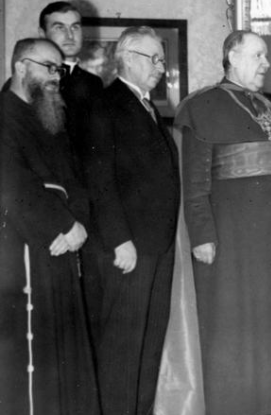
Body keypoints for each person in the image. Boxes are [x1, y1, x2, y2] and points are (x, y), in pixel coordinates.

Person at [176, 30, 271, 414]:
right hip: (231, 242)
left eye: (267, 57)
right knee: (234, 330)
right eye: (258, 56)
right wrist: (202, 236)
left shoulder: (267, 105)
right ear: (232, 56)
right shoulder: (202, 106)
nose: (266, 64)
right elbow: (195, 180)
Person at [82, 26, 180, 415]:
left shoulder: (146, 106)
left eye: (162, 59)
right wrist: (120, 240)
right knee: (122, 351)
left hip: (157, 246)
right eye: (154, 59)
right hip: (129, 250)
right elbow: (99, 178)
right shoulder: (105, 105)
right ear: (127, 58)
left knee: (148, 346)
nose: (161, 68)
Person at [0, 38, 99, 414]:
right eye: (48, 67)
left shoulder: (51, 117)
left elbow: (77, 179)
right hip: (25, 248)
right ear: (21, 66)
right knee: (32, 359)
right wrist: (61, 225)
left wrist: (80, 226)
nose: (56, 77)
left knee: (63, 358)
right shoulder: (4, 114)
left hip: (61, 246)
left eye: (59, 69)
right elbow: (11, 183)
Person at [39, 1, 104, 154]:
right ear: (42, 34)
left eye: (75, 27)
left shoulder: (94, 83)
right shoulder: (32, 80)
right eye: (59, 27)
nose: (69, 35)